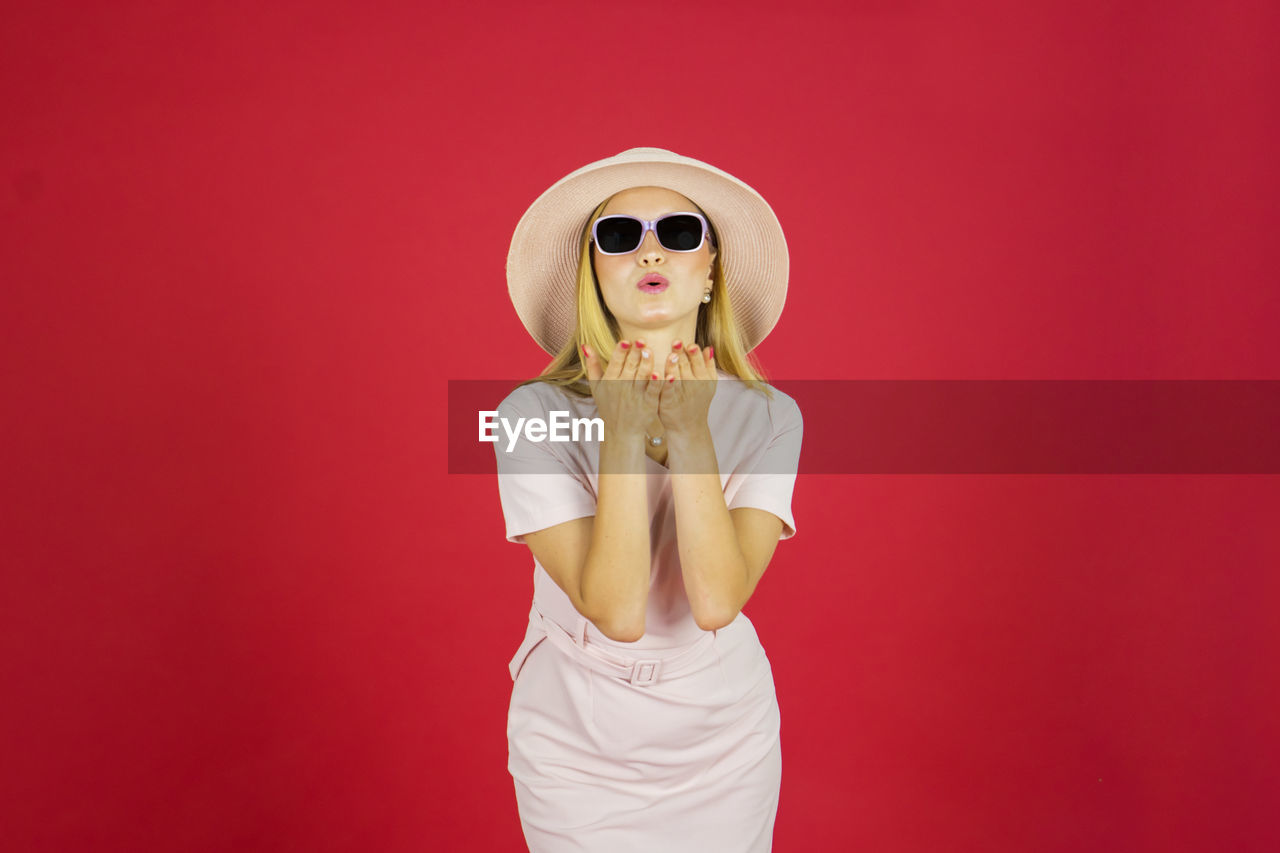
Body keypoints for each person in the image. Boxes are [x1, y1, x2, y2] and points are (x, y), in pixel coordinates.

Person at [494, 147, 803, 852]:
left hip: (723, 737)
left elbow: (719, 601)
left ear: (710, 268)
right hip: (576, 738)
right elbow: (617, 610)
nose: (650, 249)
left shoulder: (770, 417)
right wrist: (622, 433)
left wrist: (692, 434)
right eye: (621, 235)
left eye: (680, 231)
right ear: (594, 272)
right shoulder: (529, 413)